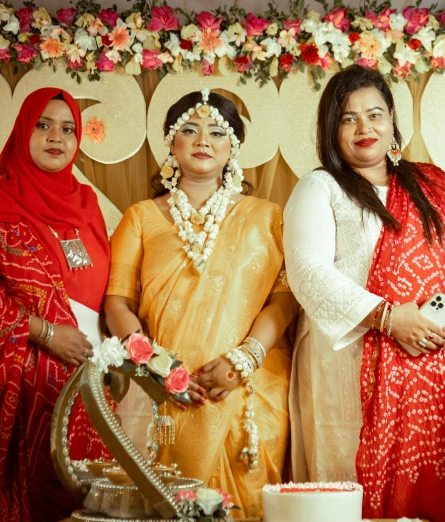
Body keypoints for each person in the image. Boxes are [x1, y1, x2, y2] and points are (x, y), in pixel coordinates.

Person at [284, 64, 445, 521]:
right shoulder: (321, 187)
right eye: (348, 118)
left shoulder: (434, 187)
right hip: (348, 363)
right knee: (347, 488)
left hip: (432, 365)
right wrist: (390, 317)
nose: (363, 127)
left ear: (393, 121)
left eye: (375, 114)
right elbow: (307, 272)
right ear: (331, 129)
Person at [103, 88, 298, 518]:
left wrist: (244, 359)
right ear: (171, 144)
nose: (203, 140)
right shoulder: (140, 217)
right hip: (162, 391)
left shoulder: (267, 216)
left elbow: (284, 303)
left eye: (217, 131)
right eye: (188, 130)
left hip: (249, 392)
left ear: (234, 147)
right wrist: (157, 364)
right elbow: (117, 304)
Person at [0, 88, 111, 522]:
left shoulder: (88, 206)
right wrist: (48, 334)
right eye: (44, 125)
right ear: (23, 131)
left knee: (89, 504)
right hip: (22, 396)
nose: (57, 137)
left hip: (91, 389)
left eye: (68, 128)